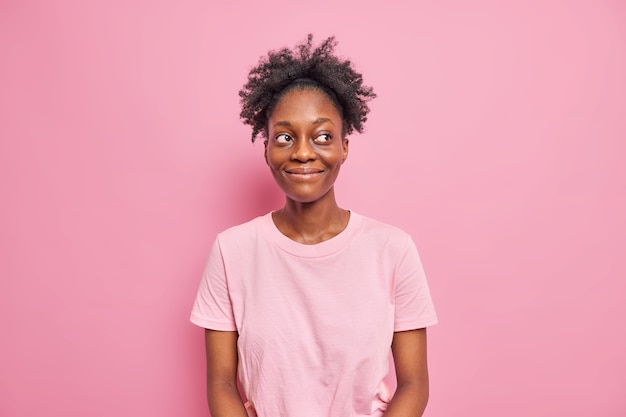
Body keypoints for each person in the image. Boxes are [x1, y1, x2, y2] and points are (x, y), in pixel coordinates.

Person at [191, 34, 437, 417]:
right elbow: (221, 382)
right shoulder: (232, 251)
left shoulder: (393, 249)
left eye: (322, 136)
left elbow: (415, 383)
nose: (303, 152)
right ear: (267, 148)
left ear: (344, 146)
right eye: (285, 137)